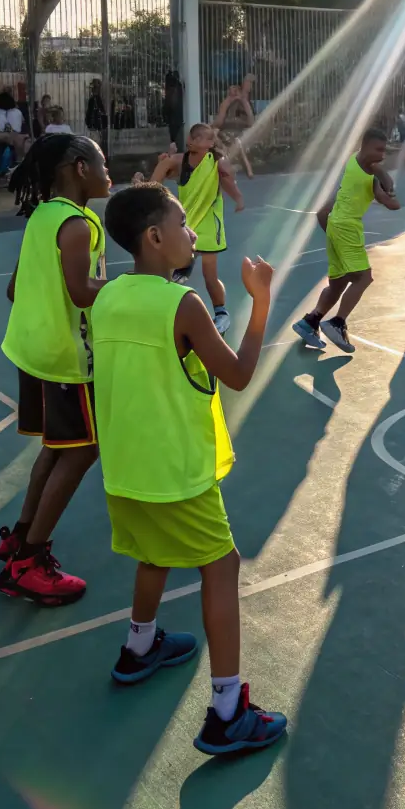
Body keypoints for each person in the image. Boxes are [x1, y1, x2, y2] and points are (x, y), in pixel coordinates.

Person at [92, 182, 287, 755]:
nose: (194, 233)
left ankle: (140, 645)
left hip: (125, 470)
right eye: (183, 224)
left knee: (154, 554)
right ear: (155, 238)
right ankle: (228, 712)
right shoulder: (183, 304)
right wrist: (261, 305)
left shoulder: (106, 297)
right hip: (176, 471)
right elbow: (239, 375)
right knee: (220, 566)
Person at [0, 133, 112, 604]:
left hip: (32, 351)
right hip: (67, 359)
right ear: (80, 168)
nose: (109, 173)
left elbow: (13, 288)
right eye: (102, 163)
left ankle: (21, 536)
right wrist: (131, 286)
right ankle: (29, 563)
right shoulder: (79, 225)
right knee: (83, 451)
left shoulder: (43, 215)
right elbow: (83, 293)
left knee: (58, 447)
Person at [293, 127, 401, 353]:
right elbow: (391, 204)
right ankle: (337, 322)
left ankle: (310, 321)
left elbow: (378, 169)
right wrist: (391, 196)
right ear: (365, 146)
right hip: (348, 228)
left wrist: (385, 178)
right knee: (364, 278)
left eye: (384, 151)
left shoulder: (354, 159)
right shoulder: (370, 178)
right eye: (378, 149)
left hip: (334, 224)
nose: (382, 154)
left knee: (338, 283)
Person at [140, 123, 245, 333]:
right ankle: (163, 310)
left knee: (209, 275)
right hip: (184, 224)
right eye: (206, 138)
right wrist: (150, 178)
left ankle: (221, 312)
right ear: (194, 140)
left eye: (211, 139)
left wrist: (238, 197)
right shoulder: (179, 160)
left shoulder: (216, 161)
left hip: (208, 226)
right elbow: (154, 184)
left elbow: (227, 180)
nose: (211, 142)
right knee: (170, 271)